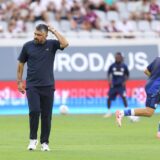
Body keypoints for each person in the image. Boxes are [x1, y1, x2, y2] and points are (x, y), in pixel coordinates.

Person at [17, 23, 69, 151]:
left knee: (46, 115)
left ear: (45, 35)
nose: (36, 36)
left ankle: (44, 143)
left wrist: (54, 30)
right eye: (35, 34)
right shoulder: (27, 46)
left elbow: (65, 43)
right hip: (32, 86)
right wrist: (19, 82)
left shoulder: (52, 44)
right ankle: (32, 140)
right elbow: (21, 64)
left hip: (48, 86)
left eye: (39, 35)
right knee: (34, 111)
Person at [116, 57, 160, 128]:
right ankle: (121, 113)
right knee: (149, 112)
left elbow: (146, 71)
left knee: (149, 112)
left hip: (151, 85)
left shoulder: (157, 59)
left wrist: (153, 79)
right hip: (156, 88)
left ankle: (159, 133)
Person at [104, 52, 129, 117]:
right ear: (115, 58)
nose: (117, 58)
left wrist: (125, 81)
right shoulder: (112, 66)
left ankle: (127, 111)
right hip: (113, 85)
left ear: (121, 58)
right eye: (116, 57)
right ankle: (109, 112)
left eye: (119, 57)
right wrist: (109, 81)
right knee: (109, 97)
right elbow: (108, 73)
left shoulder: (124, 66)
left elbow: (127, 74)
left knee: (124, 97)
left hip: (121, 86)